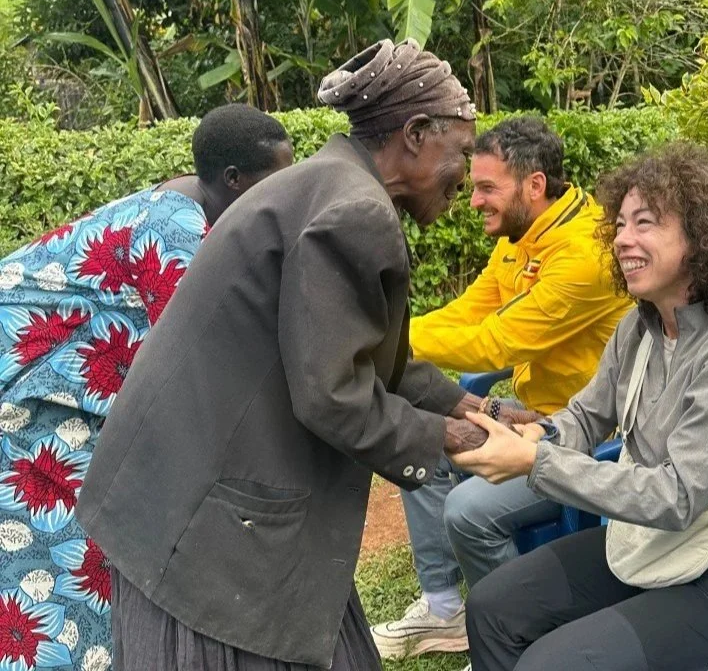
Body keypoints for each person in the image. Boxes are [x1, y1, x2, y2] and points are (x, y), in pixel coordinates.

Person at [75, 39, 484, 671]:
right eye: (461, 151)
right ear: (416, 133)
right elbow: (333, 395)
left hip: (188, 500)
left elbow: (371, 359)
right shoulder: (353, 212)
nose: (467, 173)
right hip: (210, 525)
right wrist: (451, 439)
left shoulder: (328, 183)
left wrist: (463, 402)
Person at [452, 143, 708, 671]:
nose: (622, 239)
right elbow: (585, 416)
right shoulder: (640, 325)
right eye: (619, 224)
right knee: (491, 608)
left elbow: (675, 496)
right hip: (652, 545)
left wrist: (536, 463)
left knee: (553, 664)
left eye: (645, 223)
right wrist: (540, 438)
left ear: (704, 236)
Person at [0, 103, 293, 671]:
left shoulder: (199, 204)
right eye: (276, 183)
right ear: (233, 180)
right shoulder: (176, 234)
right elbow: (212, 366)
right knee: (62, 560)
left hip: (54, 394)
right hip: (23, 402)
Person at [371, 117, 632, 659]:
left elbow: (497, 343)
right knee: (421, 442)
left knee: (468, 511)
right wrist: (394, 338)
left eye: (488, 188)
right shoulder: (524, 236)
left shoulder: (582, 255)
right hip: (533, 413)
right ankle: (445, 608)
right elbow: (473, 309)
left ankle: (527, 633)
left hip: (593, 430)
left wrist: (380, 340)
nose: (474, 201)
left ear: (533, 185)